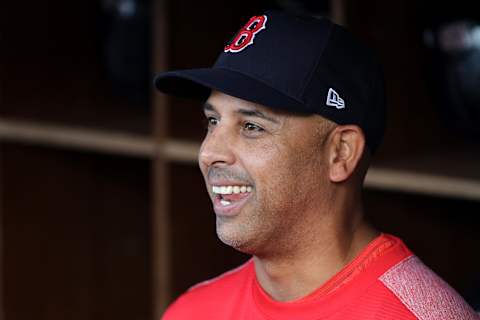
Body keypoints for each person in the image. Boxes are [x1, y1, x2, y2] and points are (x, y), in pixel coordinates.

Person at [154, 10, 479, 320]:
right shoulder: (192, 311)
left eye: (251, 127)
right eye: (212, 120)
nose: (209, 152)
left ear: (341, 153)